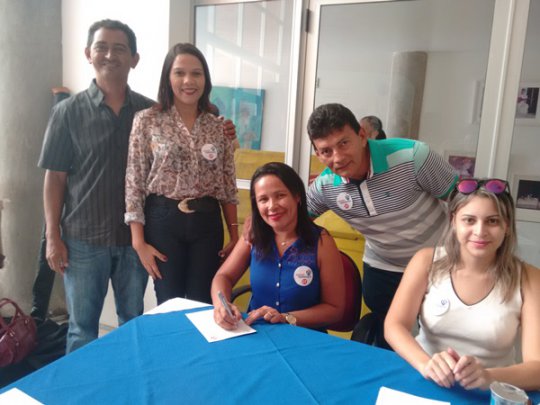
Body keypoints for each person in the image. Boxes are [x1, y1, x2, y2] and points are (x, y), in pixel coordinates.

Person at [38, 20, 154, 353]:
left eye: (120, 49)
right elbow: (55, 177)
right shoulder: (67, 112)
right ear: (88, 54)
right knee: (81, 330)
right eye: (102, 47)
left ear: (134, 59)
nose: (110, 55)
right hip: (82, 240)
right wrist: (53, 236)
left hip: (135, 240)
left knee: (133, 323)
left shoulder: (150, 112)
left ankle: (130, 381)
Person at [306, 103, 458, 348]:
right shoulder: (326, 186)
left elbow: (464, 203)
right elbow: (293, 218)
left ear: (362, 135)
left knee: (441, 338)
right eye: (326, 151)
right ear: (317, 154)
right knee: (390, 339)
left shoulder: (414, 157)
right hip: (383, 267)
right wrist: (257, 227)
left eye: (343, 143)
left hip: (439, 262)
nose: (338, 158)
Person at [384, 178, 540, 391]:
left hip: (491, 391)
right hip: (426, 380)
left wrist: (488, 377)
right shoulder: (425, 261)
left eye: (493, 221)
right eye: (469, 220)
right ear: (453, 221)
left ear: (507, 226)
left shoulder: (530, 278)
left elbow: (537, 368)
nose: (480, 231)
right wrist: (425, 364)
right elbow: (394, 325)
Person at [125, 43, 239, 305]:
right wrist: (138, 241)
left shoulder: (218, 126)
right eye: (179, 73)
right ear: (168, 78)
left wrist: (234, 234)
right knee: (170, 303)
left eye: (196, 73)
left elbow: (227, 184)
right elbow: (134, 181)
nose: (188, 81)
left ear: (205, 80)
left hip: (208, 223)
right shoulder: (147, 120)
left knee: (204, 303)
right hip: (163, 222)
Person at [212, 162, 345, 331]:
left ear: (297, 196)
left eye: (280, 195)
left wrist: (286, 318)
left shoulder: (321, 241)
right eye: (263, 199)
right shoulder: (253, 236)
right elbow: (223, 276)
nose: (272, 206)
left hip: (304, 336)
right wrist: (221, 305)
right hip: (257, 332)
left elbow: (334, 309)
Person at [31, 87, 71, 323]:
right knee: (48, 248)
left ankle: (38, 315)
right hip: (62, 207)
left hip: (79, 209)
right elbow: (54, 175)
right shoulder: (64, 114)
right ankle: (37, 315)